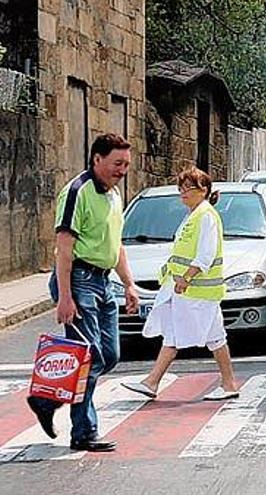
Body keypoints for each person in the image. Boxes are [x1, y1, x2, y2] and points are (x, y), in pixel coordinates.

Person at [26, 134, 139, 452]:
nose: (122, 170)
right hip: (78, 279)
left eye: (127, 165)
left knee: (110, 355)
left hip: (103, 282)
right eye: (117, 163)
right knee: (89, 356)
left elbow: (115, 244)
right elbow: (64, 249)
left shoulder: (115, 196)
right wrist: (65, 296)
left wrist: (129, 283)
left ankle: (46, 398)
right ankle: (84, 432)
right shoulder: (77, 192)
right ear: (97, 159)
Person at [121, 167, 239, 401]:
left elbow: (205, 254)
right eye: (181, 189)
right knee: (183, 335)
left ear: (203, 190)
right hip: (188, 289)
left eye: (188, 189)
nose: (183, 193)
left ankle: (227, 384)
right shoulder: (194, 214)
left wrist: (187, 278)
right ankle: (153, 382)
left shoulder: (205, 215)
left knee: (208, 336)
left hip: (196, 290)